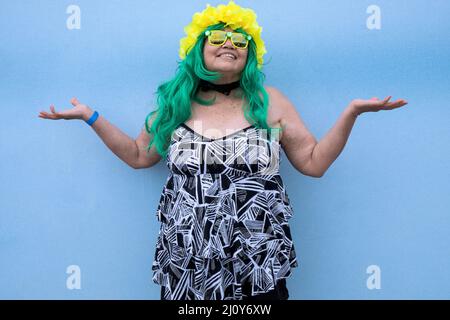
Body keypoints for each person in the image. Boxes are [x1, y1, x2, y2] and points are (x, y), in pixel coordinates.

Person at [38, 1, 408, 300]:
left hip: (257, 256)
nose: (229, 43)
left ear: (250, 54)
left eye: (240, 40)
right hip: (189, 257)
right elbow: (139, 156)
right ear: (198, 48)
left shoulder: (270, 102)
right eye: (217, 36)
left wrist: (352, 113)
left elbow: (313, 164)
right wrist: (92, 117)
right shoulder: (174, 104)